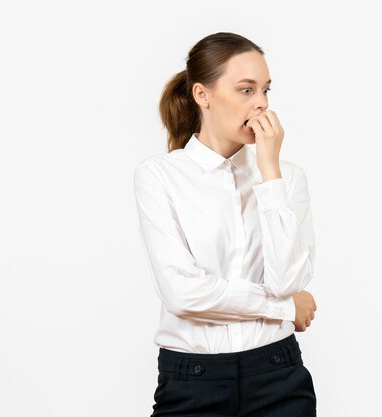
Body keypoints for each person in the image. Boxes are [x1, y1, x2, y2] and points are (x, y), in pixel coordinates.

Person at [133, 32, 318, 416]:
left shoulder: (287, 179)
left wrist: (269, 172)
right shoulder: (159, 176)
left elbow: (288, 282)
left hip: (278, 377)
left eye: (266, 90)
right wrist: (283, 309)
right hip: (191, 383)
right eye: (246, 90)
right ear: (203, 95)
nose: (262, 104)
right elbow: (183, 295)